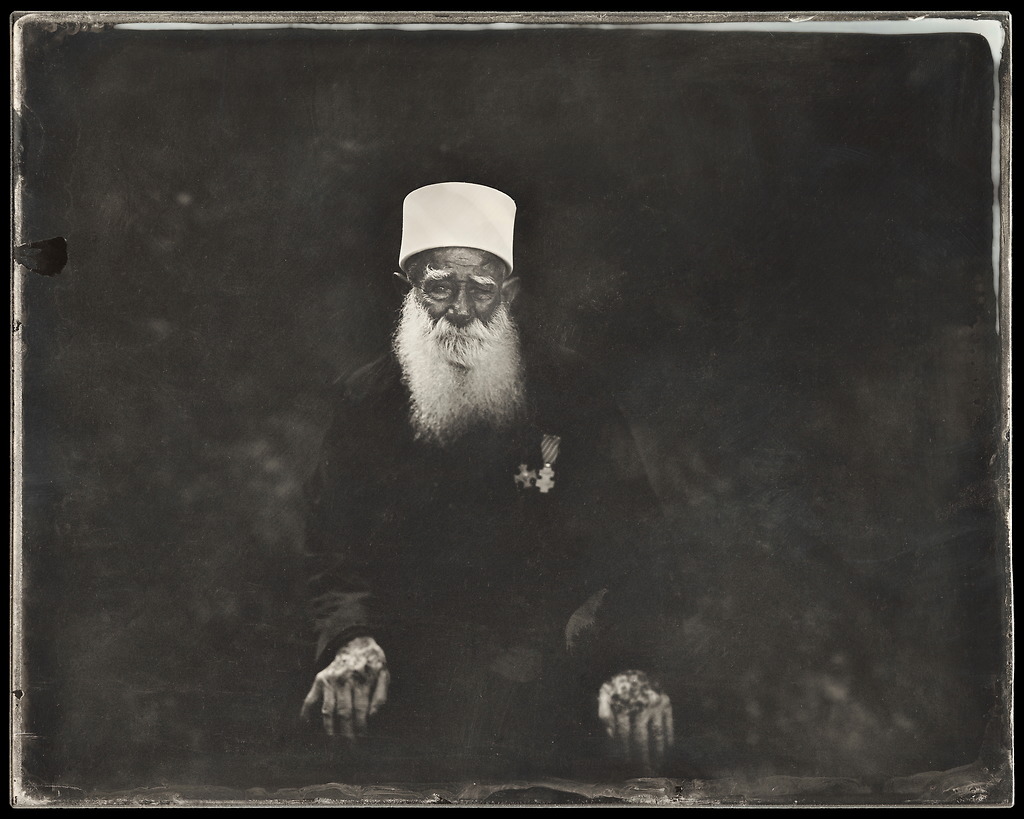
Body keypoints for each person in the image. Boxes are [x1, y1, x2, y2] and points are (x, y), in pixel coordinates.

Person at [300, 182, 676, 778]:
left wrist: (627, 662)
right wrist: (351, 638)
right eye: (440, 286)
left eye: (482, 289)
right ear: (409, 291)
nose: (461, 309)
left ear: (510, 293)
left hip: (552, 682)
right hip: (401, 685)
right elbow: (330, 547)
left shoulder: (573, 393)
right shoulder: (365, 402)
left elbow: (636, 543)